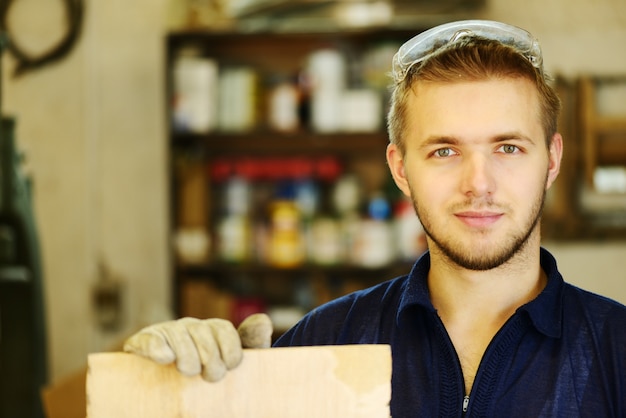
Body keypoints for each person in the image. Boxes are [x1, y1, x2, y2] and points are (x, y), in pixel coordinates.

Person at [125, 20, 626, 416]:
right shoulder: (322, 343)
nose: (479, 182)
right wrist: (161, 391)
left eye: (509, 147)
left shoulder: (616, 352)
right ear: (400, 168)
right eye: (445, 151)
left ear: (553, 160)